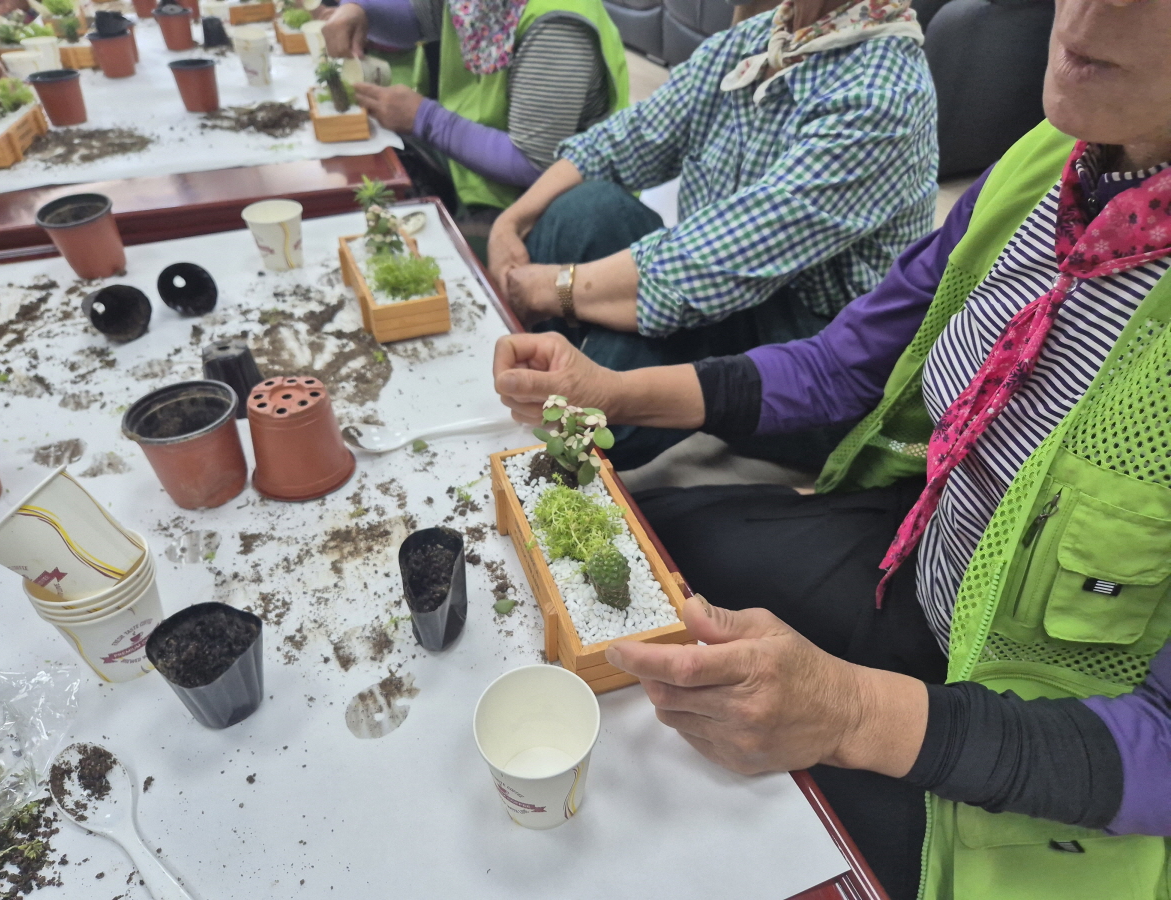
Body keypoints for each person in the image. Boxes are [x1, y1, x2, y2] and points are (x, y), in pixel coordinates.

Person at [491, 0, 1171, 897]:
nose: (1089, 10)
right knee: (652, 545)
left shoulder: (880, 89)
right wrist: (614, 393)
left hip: (1041, 730)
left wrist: (853, 715)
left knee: (729, 843)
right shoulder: (1044, 165)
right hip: (919, 561)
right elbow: (847, 360)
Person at [488, 0, 938, 471]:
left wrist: (552, 288)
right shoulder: (765, 37)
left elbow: (709, 267)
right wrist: (511, 221)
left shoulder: (881, 95)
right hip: (730, 287)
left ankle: (545, 447)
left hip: (814, 355)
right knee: (584, 210)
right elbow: (627, 140)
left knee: (626, 359)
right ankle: (536, 377)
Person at [322, 0, 629, 254]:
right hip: (471, 172)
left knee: (419, 258)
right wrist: (362, 12)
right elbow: (418, 19)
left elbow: (533, 163)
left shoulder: (556, 28)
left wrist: (424, 118)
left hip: (535, 206)